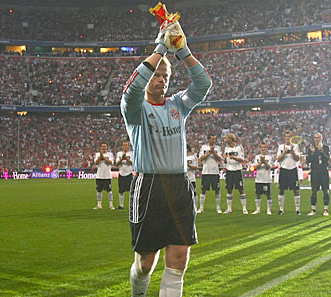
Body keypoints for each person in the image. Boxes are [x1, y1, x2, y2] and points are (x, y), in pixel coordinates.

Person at [121, 18, 212, 297]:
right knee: (145, 263)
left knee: (179, 260)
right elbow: (132, 89)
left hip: (179, 186)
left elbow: (203, 84)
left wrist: (182, 49)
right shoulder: (135, 109)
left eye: (165, 76)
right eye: (157, 75)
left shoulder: (177, 105)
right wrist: (160, 48)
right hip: (148, 187)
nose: (161, 79)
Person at [276, 130, 301, 215]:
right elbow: (278, 159)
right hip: (283, 169)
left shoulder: (295, 146)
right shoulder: (281, 147)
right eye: (286, 136)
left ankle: (297, 210)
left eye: (289, 136)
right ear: (284, 138)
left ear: (291, 138)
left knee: (296, 190)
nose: (287, 138)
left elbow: (297, 158)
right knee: (281, 190)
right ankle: (281, 209)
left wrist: (292, 151)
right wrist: (284, 152)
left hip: (293, 169)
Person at [306, 132, 331, 216]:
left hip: (324, 171)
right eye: (315, 137)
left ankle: (326, 210)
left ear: (321, 138)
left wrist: (317, 151)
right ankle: (313, 210)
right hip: (315, 172)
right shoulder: (310, 148)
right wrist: (313, 152)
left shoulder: (326, 148)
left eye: (318, 137)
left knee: (325, 191)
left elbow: (326, 158)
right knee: (314, 191)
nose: (317, 139)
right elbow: (308, 160)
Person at [222, 133, 247, 214]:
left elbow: (241, 159)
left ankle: (244, 208)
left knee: (241, 189)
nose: (226, 140)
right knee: (229, 189)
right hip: (229, 170)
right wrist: (225, 159)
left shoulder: (239, 148)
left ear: (231, 139)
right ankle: (229, 209)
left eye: (227, 138)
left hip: (237, 170)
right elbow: (225, 161)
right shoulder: (226, 149)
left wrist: (233, 157)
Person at [198, 134, 223, 213]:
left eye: (214, 139)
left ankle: (218, 208)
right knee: (203, 190)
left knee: (217, 190)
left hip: (215, 172)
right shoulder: (204, 148)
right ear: (208, 139)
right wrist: (209, 153)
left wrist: (214, 153)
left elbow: (220, 158)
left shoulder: (218, 148)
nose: (214, 141)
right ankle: (201, 208)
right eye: (212, 139)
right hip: (206, 171)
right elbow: (200, 159)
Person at [251, 142, 274, 215]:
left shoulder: (270, 157)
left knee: (268, 195)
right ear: (260, 148)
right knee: (258, 194)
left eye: (265, 147)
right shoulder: (257, 157)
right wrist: (261, 162)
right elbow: (254, 167)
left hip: (267, 179)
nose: (263, 148)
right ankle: (258, 209)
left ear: (267, 148)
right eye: (262, 147)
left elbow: (269, 167)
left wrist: (264, 161)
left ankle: (269, 210)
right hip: (258, 179)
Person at [93, 142, 115, 210]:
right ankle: (99, 204)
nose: (103, 148)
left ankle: (111, 205)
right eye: (102, 146)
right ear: (100, 147)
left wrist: (104, 158)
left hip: (107, 175)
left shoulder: (110, 154)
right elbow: (96, 163)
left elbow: (111, 163)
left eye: (105, 146)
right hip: (99, 175)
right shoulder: (97, 154)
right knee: (99, 191)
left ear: (107, 147)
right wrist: (100, 156)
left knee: (109, 191)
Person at [116, 141, 133, 209]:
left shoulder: (131, 153)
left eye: (126, 145)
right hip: (121, 174)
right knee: (121, 190)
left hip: (129, 173)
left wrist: (126, 158)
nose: (125, 146)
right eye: (124, 145)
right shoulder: (119, 153)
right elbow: (117, 163)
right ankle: (121, 205)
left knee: (131, 191)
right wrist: (122, 158)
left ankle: (131, 205)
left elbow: (132, 163)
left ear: (128, 146)